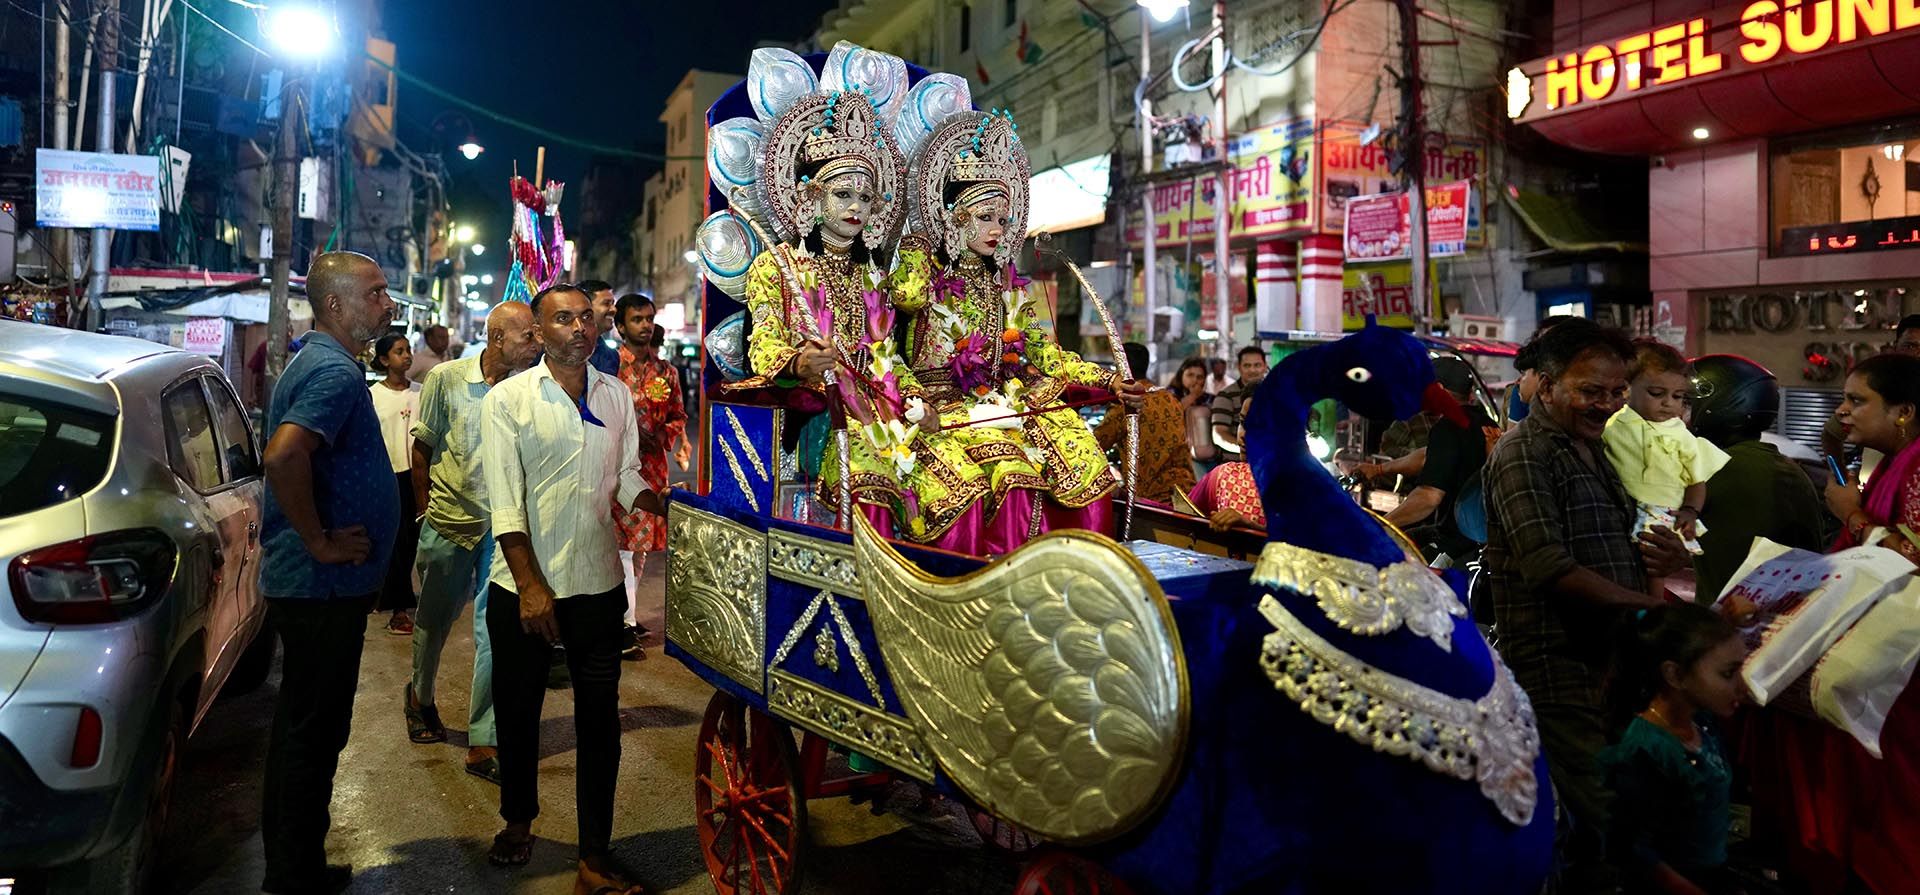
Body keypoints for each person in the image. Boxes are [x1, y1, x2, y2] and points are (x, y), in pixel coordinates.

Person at [1480, 318, 1693, 894]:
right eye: (1589, 391)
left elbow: (1626, 545)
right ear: (1545, 386)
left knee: (1616, 804)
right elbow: (1548, 566)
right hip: (1559, 663)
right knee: (1599, 805)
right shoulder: (1524, 454)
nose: (1606, 404)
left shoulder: (1594, 449)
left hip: (1612, 658)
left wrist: (1667, 558)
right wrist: (1646, 609)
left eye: (1616, 391)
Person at [481, 284, 664, 894]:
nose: (580, 328)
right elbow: (505, 504)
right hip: (524, 589)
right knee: (519, 711)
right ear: (538, 330)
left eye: (587, 317)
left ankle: (593, 854)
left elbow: (628, 473)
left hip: (597, 581)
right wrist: (531, 586)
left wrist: (660, 503)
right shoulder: (508, 400)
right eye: (563, 319)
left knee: (599, 725)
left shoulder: (616, 395)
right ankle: (518, 820)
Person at [890, 108, 1142, 550]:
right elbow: (906, 297)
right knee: (1012, 471)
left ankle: (1085, 567)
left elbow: (1043, 354)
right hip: (940, 404)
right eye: (985, 217)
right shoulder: (925, 265)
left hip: (1005, 398)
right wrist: (920, 243)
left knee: (1083, 456)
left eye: (1003, 220)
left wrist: (1110, 379)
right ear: (957, 217)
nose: (997, 230)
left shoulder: (1005, 281)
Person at [1740, 351, 1920, 895]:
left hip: (1899, 658)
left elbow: (1908, 556)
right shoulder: (1894, 458)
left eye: (1857, 400)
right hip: (1875, 641)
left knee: (1886, 779)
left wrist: (1851, 513)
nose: (1842, 410)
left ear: (1905, 411)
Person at [256, 251, 398, 895]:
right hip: (319, 587)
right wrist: (320, 542)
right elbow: (284, 457)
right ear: (335, 304)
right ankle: (294, 875)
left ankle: (294, 865)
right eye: (374, 293)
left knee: (302, 728)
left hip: (318, 586)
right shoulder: (334, 374)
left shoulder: (320, 361)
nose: (387, 303)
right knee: (314, 732)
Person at [734, 83, 924, 537]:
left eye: (865, 198)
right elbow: (763, 346)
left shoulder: (874, 275)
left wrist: (916, 400)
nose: (856, 207)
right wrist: (799, 362)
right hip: (819, 414)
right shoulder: (776, 266)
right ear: (812, 200)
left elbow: (889, 358)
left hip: (883, 406)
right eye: (843, 195)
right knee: (875, 483)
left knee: (947, 470)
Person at [405, 301, 542, 784]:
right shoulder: (446, 379)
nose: (537, 342)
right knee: (434, 621)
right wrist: (424, 509)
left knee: (494, 634)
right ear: (498, 338)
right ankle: (420, 697)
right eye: (528, 335)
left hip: (502, 532)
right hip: (448, 520)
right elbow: (421, 448)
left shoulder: (531, 388)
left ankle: (483, 741)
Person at [1601, 603, 1747, 895]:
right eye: (1728, 674)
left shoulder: (1701, 722)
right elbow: (1632, 848)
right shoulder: (1645, 750)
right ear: (1675, 675)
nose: (1742, 686)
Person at [1689, 355, 1830, 601]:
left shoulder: (1726, 467)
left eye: (1683, 402)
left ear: (1716, 406)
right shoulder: (1769, 462)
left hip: (1736, 626)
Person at [1603, 340, 1731, 597]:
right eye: (1657, 394)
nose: (1668, 404)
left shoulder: (1682, 434)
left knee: (1654, 570)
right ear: (1627, 389)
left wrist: (1690, 510)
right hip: (1622, 511)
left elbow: (1696, 480)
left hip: (1665, 513)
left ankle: (1653, 611)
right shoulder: (1614, 424)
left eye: (1678, 397)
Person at [611, 292, 686, 659]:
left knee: (639, 550)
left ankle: (628, 613)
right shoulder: (610, 368)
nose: (645, 325)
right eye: (636, 319)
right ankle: (621, 624)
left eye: (648, 318)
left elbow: (677, 416)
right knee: (622, 547)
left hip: (652, 470)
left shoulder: (666, 371)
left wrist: (663, 435)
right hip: (616, 470)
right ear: (620, 326)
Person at [1375, 355, 1496, 563]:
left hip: (1457, 544)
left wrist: (1382, 525)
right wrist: (1378, 469)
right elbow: (1426, 455)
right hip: (1479, 539)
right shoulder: (1484, 423)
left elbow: (1428, 497)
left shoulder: (1448, 427)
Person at [1093, 342, 1197, 506]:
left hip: (1149, 500)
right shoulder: (1169, 398)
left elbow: (1093, 447)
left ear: (1120, 368)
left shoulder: (1125, 404)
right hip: (1186, 493)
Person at [368, 334, 421, 635]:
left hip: (414, 476)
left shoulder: (421, 392)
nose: (407, 356)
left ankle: (392, 600)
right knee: (393, 541)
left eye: (408, 350)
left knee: (408, 541)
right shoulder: (374, 395)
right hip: (385, 475)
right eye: (399, 352)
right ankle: (398, 609)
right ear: (385, 360)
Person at [1819, 314, 1920, 463]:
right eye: (1910, 346)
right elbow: (1831, 434)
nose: (1918, 354)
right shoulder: (1880, 386)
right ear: (1895, 347)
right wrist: (1840, 477)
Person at [1187, 396, 1264, 532]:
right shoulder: (1225, 475)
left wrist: (1251, 527)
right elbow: (1182, 515)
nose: (1244, 435)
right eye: (1242, 422)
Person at [1211, 345, 1269, 460]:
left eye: (1257, 365)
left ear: (1265, 366)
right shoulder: (1226, 396)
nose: (1252, 370)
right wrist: (1246, 448)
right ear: (1239, 367)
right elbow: (1219, 435)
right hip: (1234, 463)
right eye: (1247, 366)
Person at [1166, 357, 1218, 468]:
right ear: (1181, 376)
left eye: (1199, 377)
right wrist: (1193, 396)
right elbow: (1173, 412)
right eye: (1190, 375)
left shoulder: (1209, 399)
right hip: (1177, 454)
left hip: (1203, 452)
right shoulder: (1170, 394)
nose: (1195, 380)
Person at [577, 278, 622, 376]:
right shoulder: (563, 348)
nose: (614, 309)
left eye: (613, 303)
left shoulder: (611, 356)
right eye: (606, 304)